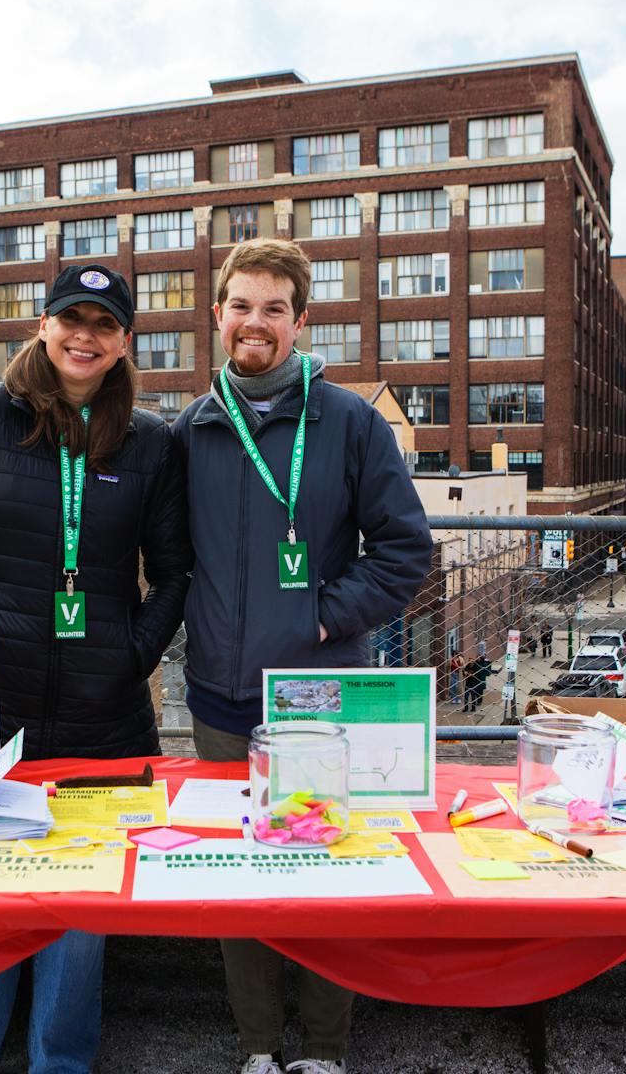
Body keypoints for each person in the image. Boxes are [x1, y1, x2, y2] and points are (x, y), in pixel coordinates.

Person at [0, 263, 191, 1074]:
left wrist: (133, 656)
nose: (84, 336)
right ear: (43, 324)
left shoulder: (151, 438)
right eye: (71, 318)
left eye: (103, 323)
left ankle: (63, 1063)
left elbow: (174, 572)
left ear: (126, 339)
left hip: (106, 723)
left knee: (79, 911)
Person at [171, 238, 433, 1074]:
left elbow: (404, 550)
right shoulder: (192, 430)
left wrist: (323, 621)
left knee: (321, 872)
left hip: (320, 693)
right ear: (218, 316)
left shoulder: (349, 421)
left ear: (301, 321)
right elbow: (170, 559)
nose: (256, 322)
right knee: (237, 881)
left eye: (274, 308)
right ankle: (258, 1046)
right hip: (219, 696)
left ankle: (322, 1050)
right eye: (241, 305)